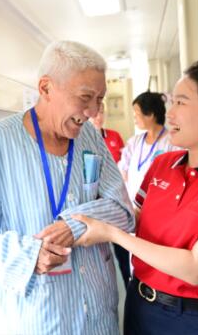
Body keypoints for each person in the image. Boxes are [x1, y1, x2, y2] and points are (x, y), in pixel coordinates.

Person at [72, 59, 198, 334]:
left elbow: (196, 269)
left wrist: (112, 234)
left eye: (181, 102)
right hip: (139, 305)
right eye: (172, 102)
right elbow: (136, 219)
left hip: (193, 319)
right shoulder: (163, 165)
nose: (170, 114)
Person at [0, 41, 134, 335]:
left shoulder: (90, 137)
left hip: (99, 317)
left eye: (100, 99)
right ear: (46, 88)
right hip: (38, 319)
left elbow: (123, 210)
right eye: (85, 97)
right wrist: (27, 255)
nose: (93, 111)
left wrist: (74, 226)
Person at [89, 106, 131, 289]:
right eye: (94, 113)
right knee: (98, 255)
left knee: (122, 251)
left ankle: (128, 285)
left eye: (101, 112)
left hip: (114, 202)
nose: (98, 117)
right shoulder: (82, 139)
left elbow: (123, 167)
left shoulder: (114, 136)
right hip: (94, 204)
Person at [118, 91, 177, 202]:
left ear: (150, 115)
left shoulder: (172, 143)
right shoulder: (134, 142)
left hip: (158, 204)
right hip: (131, 204)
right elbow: (122, 171)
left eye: (137, 114)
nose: (134, 119)